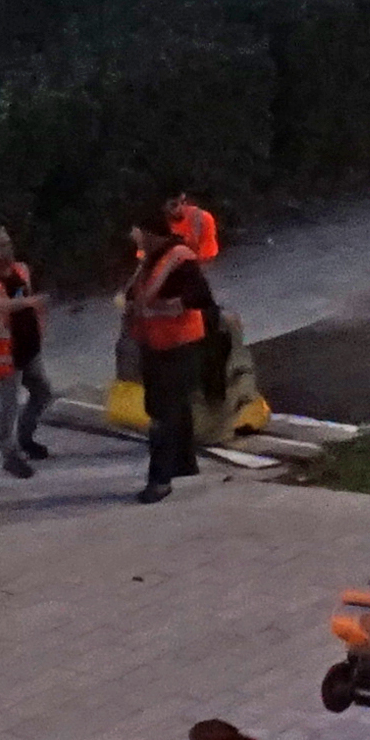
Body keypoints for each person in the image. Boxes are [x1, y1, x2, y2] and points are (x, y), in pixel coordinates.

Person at [128, 190, 228, 504]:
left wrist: (171, 307)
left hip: (178, 343)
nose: (135, 241)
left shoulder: (179, 258)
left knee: (164, 414)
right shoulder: (152, 259)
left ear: (150, 233)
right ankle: (184, 463)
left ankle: (159, 480)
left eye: (139, 235)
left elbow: (201, 298)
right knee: (174, 408)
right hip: (156, 343)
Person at [0, 225, 56, 477]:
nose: (9, 248)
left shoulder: (20, 270)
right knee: (7, 407)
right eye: (2, 245)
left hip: (29, 351)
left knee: (43, 393)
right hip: (5, 358)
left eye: (8, 242)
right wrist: (29, 302)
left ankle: (25, 438)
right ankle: (9, 454)